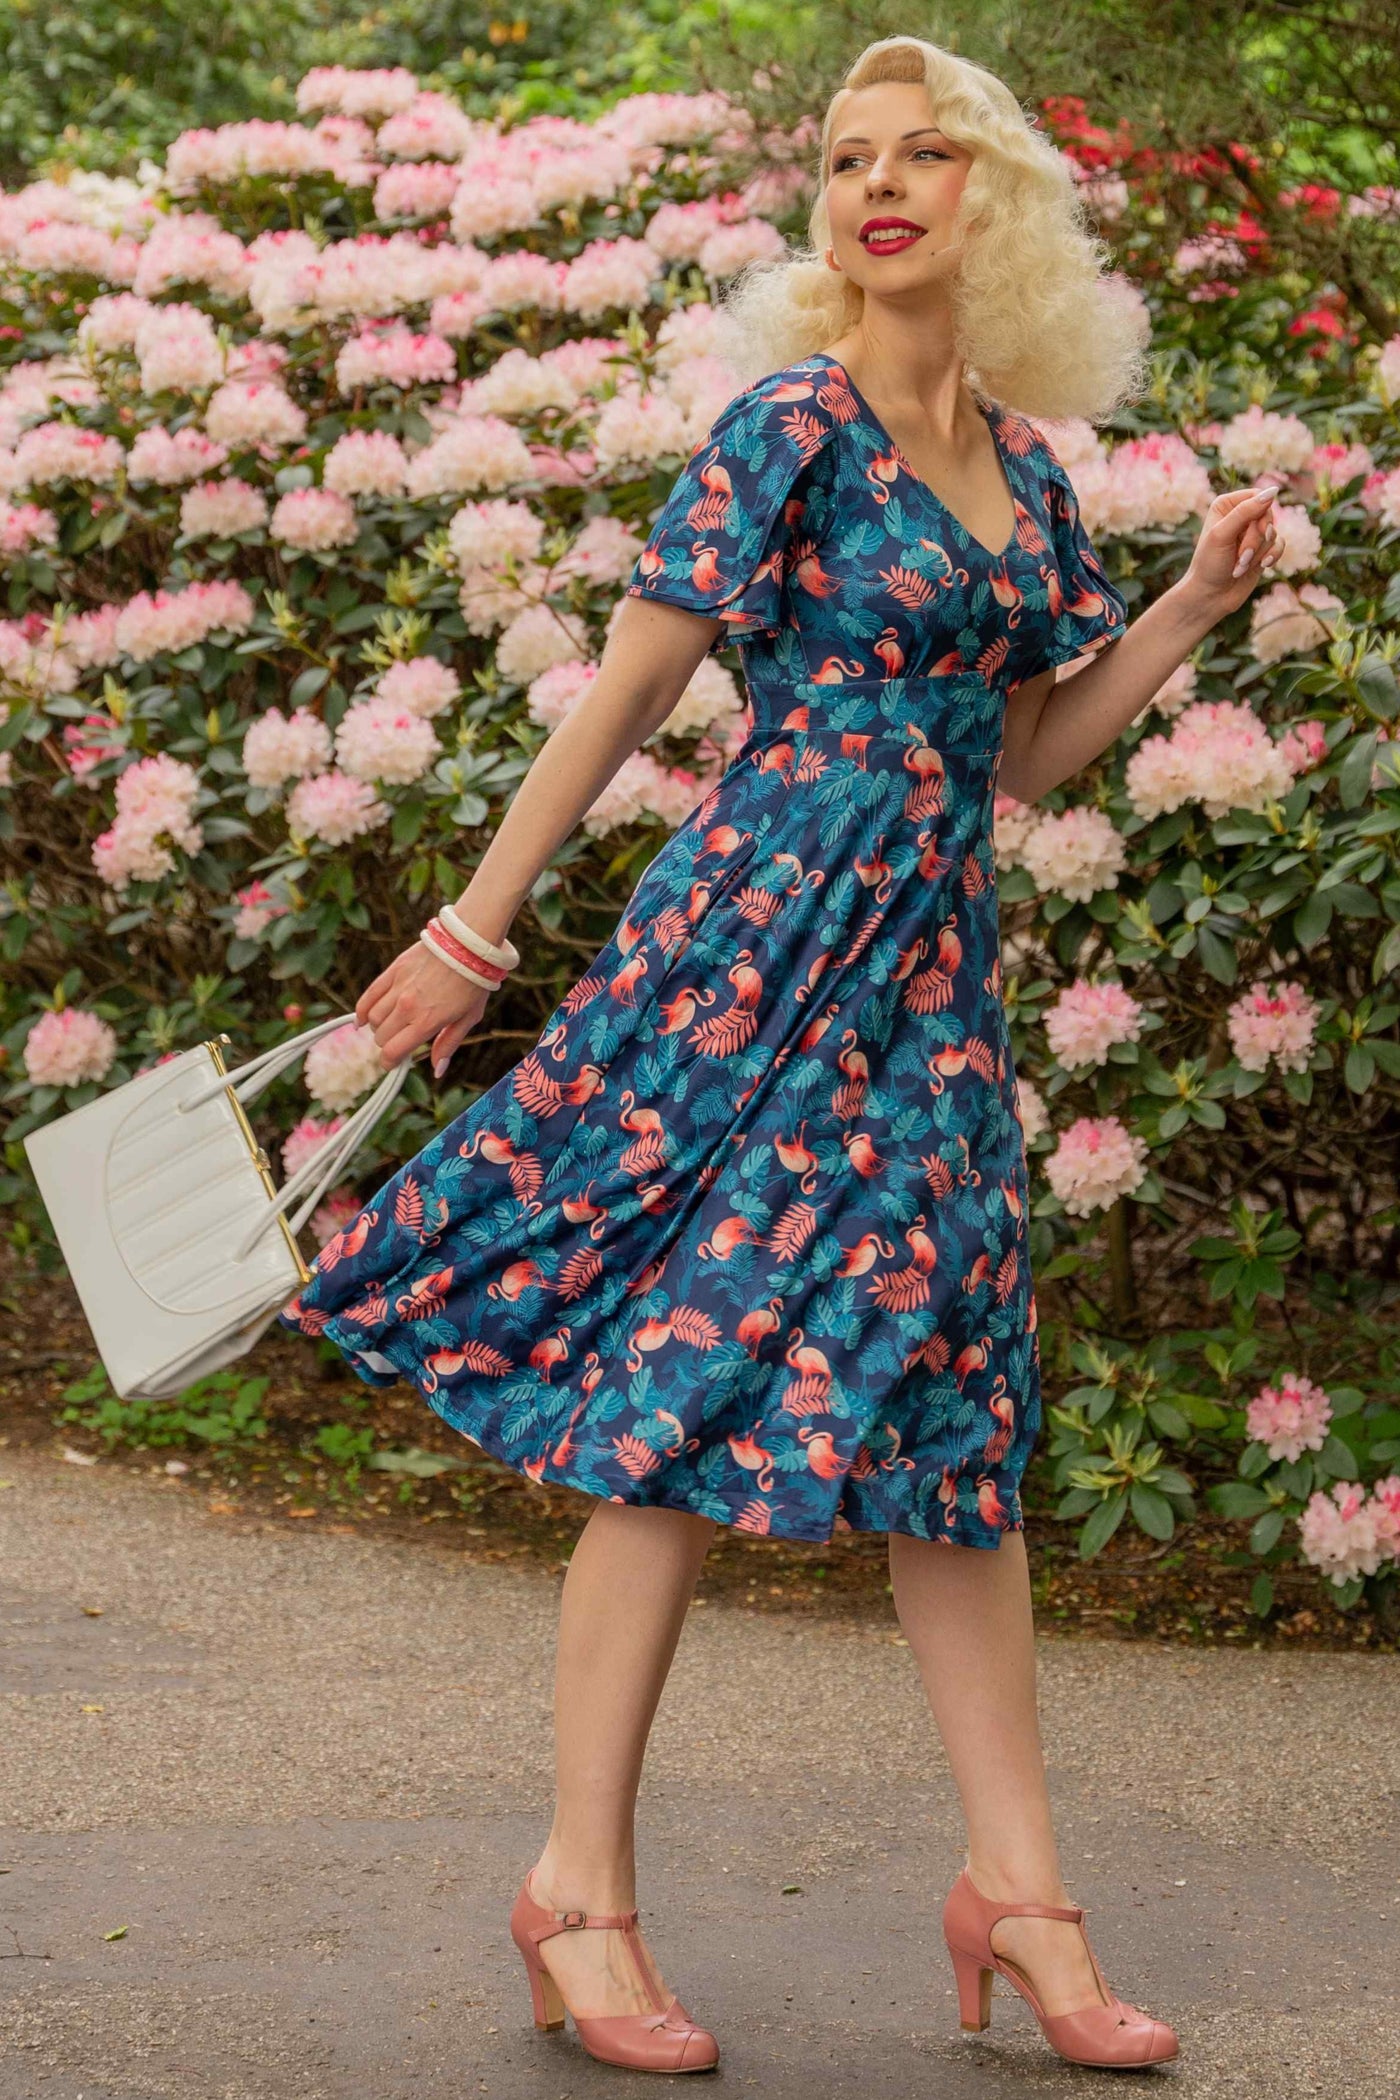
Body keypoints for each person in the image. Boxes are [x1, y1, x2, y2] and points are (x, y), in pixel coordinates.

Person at [279, 32, 1281, 2077]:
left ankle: (1021, 1893)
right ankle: (577, 1890)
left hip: (925, 992)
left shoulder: (1028, 469)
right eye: (844, 158)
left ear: (995, 206)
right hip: (750, 962)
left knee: (953, 1410)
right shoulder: (789, 425)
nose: (877, 183)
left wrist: (1175, 612)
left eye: (924, 155)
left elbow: (1017, 755)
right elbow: (626, 693)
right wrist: (471, 931)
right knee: (682, 1385)